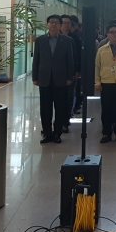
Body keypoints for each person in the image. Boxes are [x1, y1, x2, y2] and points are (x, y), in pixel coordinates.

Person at [32, 14, 75, 144]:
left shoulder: (67, 40)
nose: (54, 24)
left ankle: (57, 133)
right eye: (51, 22)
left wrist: (69, 77)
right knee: (45, 108)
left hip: (61, 78)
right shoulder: (40, 40)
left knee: (60, 107)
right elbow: (36, 60)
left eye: (57, 22)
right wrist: (35, 77)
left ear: (61, 25)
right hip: (44, 78)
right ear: (47, 24)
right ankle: (47, 133)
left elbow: (70, 60)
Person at [60, 14, 82, 131]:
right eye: (63, 23)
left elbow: (79, 55)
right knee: (58, 98)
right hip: (57, 73)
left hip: (71, 73)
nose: (66, 25)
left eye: (68, 23)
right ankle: (58, 121)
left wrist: (78, 71)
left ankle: (65, 121)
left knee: (69, 97)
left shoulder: (75, 38)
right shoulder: (55, 37)